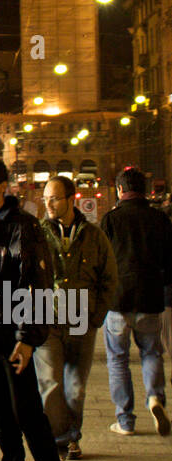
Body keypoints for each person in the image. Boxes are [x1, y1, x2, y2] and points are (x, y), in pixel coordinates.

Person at [0, 157, 72, 461]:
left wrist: (28, 338)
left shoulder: (24, 227)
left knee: (28, 412)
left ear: (3, 186)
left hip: (16, 334)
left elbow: (38, 284)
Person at [36, 176, 118, 459]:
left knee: (76, 387)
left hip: (82, 320)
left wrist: (97, 316)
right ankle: (60, 440)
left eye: (54, 198)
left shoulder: (94, 235)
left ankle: (72, 435)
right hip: (47, 320)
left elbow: (109, 278)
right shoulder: (38, 233)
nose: (48, 203)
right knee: (50, 383)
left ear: (71, 199)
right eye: (45, 197)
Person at [100, 167, 171, 437]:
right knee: (151, 353)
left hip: (118, 300)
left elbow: (102, 261)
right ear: (145, 190)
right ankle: (155, 399)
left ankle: (125, 420)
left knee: (117, 359)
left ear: (120, 191)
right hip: (150, 298)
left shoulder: (110, 220)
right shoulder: (160, 219)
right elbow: (169, 260)